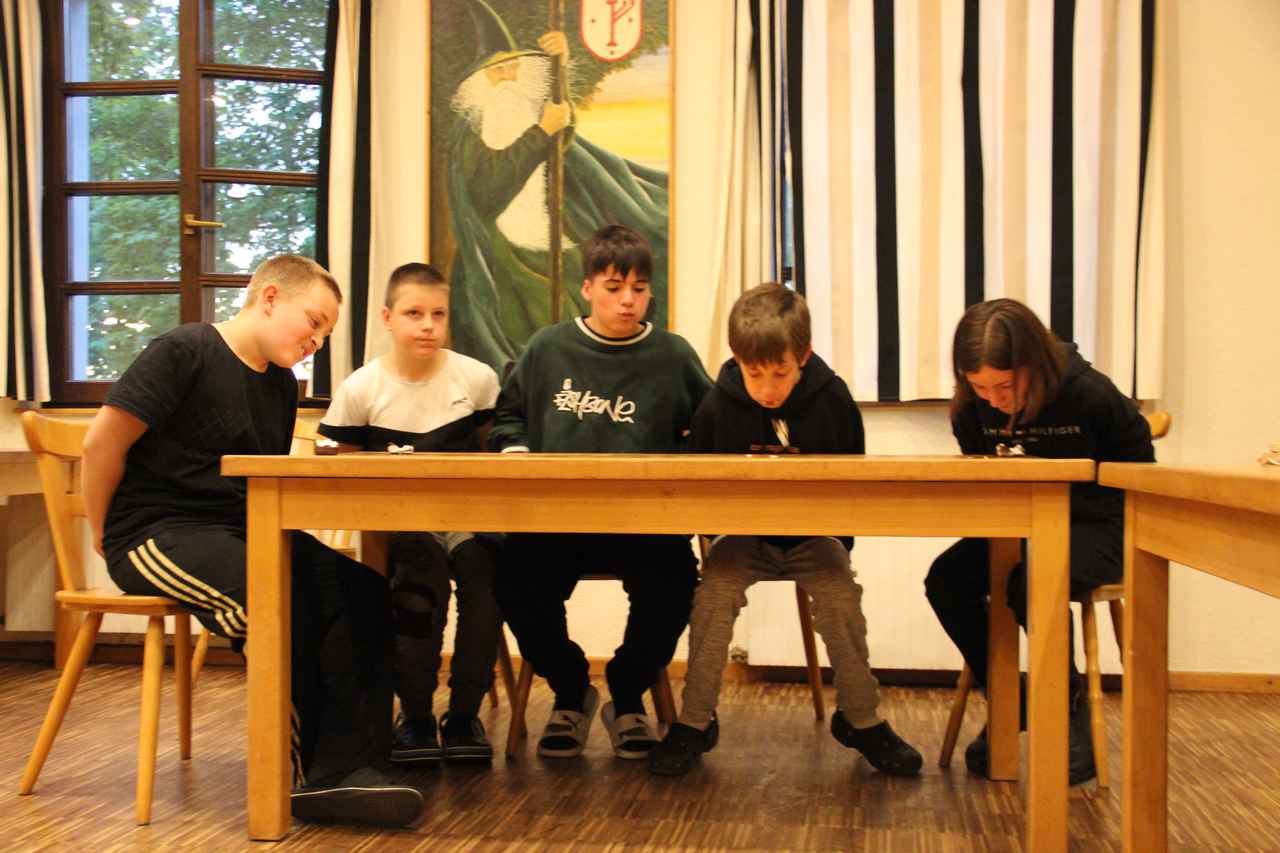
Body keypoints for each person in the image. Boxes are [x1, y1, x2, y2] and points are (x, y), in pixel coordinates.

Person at [83, 255, 422, 826]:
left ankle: (355, 763)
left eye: (325, 333)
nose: (317, 340)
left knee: (361, 589)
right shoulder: (185, 351)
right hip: (154, 530)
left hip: (242, 529)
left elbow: (259, 484)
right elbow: (101, 445)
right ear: (269, 298)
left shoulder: (281, 385)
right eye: (313, 322)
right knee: (273, 600)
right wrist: (102, 533)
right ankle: (315, 773)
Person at [647, 284, 924, 777]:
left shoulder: (832, 398)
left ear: (804, 357)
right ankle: (694, 722)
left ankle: (861, 719)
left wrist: (835, 537)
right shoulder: (718, 404)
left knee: (840, 597)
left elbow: (853, 482)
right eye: (754, 374)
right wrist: (719, 531)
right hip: (742, 539)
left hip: (814, 538)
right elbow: (698, 485)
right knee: (713, 597)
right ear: (737, 360)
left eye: (781, 373)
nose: (768, 389)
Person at [488, 224, 712, 759]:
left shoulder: (673, 356)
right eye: (614, 288)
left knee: (676, 586)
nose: (627, 300)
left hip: (645, 525)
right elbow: (507, 417)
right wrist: (516, 449)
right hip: (554, 522)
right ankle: (571, 690)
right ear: (587, 288)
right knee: (514, 582)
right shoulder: (547, 349)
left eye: (639, 288)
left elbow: (711, 428)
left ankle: (628, 692)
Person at [924, 297, 1154, 786]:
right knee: (946, 580)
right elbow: (984, 480)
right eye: (979, 387)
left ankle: (1065, 708)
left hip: (1102, 524)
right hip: (1019, 526)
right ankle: (1013, 700)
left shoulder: (1090, 394)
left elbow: (1142, 475)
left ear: (1035, 365)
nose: (993, 400)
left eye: (1005, 387)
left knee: (1033, 579)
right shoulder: (972, 409)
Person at [318, 262, 503, 766]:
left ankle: (463, 715)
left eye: (438, 314)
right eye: (414, 313)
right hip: (400, 524)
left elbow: (496, 462)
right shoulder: (362, 388)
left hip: (468, 519)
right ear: (388, 318)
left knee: (485, 577)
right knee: (420, 579)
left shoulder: (478, 380)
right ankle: (416, 715)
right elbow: (343, 477)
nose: (427, 325)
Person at [445, 0, 670, 370]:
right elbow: (488, 191)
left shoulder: (526, 112)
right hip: (502, 260)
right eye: (497, 71)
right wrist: (541, 132)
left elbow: (559, 133)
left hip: (552, 245)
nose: (508, 78)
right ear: (477, 83)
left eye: (513, 67)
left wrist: (559, 68)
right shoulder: (470, 136)